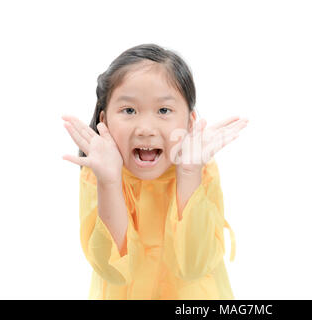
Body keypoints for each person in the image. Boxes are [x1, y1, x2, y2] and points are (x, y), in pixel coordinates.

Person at [61, 43, 249, 299]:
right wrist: (109, 182)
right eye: (129, 110)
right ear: (104, 121)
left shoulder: (200, 169)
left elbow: (196, 265)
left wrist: (189, 172)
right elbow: (111, 269)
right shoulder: (97, 174)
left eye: (163, 110)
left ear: (189, 121)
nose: (146, 128)